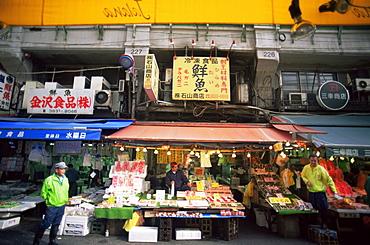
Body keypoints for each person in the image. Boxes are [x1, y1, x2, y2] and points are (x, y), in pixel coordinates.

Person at [33, 162, 69, 245]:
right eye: (61, 169)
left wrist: (65, 199)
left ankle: (52, 241)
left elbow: (66, 190)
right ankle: (36, 242)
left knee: (56, 223)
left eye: (64, 169)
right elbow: (43, 193)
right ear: (56, 170)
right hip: (52, 205)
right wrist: (49, 200)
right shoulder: (49, 180)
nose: (63, 171)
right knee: (46, 223)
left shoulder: (65, 179)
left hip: (61, 205)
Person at [301, 154, 338, 229]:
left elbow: (329, 179)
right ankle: (313, 222)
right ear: (309, 160)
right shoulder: (306, 168)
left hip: (320, 192)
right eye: (312, 160)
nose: (313, 162)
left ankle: (324, 223)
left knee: (323, 208)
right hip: (311, 191)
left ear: (317, 161)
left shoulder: (321, 169)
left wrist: (334, 190)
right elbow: (303, 175)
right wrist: (306, 181)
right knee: (312, 207)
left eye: (315, 160)